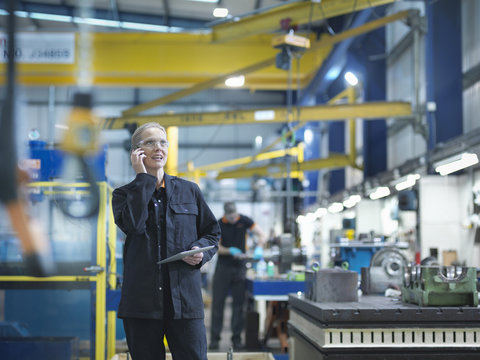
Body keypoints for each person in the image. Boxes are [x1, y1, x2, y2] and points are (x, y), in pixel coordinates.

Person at [112, 122, 220, 360]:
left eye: (163, 142)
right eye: (150, 142)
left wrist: (201, 252)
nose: (158, 148)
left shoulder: (189, 191)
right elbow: (133, 225)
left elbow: (212, 232)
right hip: (142, 305)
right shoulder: (123, 195)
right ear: (136, 152)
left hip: (185, 302)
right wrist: (142, 179)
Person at [209, 201, 266, 350]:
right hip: (223, 267)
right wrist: (229, 250)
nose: (234, 218)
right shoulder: (219, 224)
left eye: (235, 215)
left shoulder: (244, 220)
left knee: (238, 305)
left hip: (240, 267)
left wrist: (259, 247)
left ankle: (236, 340)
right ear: (225, 214)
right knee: (218, 304)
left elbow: (261, 234)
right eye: (230, 216)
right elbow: (216, 247)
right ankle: (215, 340)